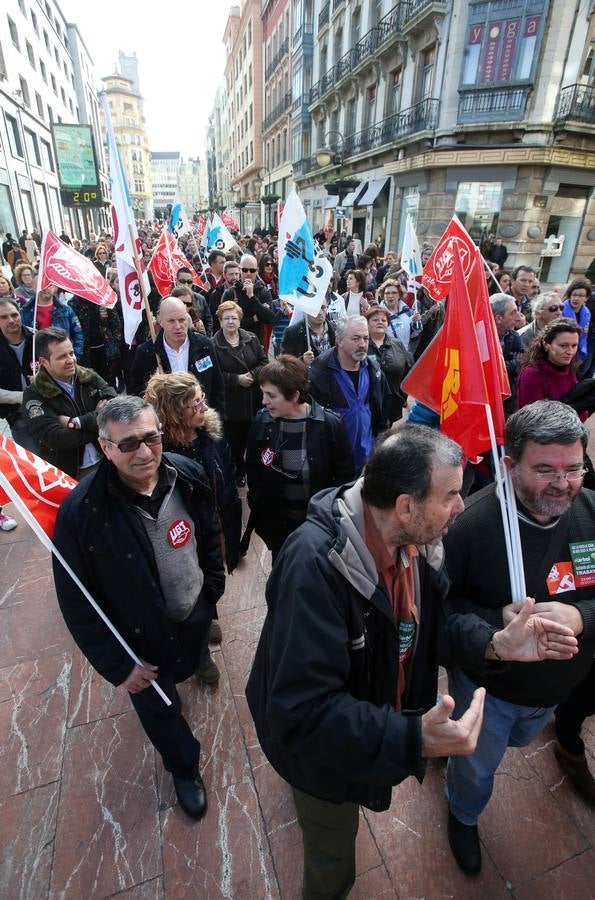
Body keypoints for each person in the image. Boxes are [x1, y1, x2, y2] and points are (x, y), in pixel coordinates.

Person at [246, 424, 579, 899]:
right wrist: (413, 737)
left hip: (367, 730)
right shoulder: (314, 568)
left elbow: (437, 624)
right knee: (333, 858)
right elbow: (300, 713)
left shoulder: (415, 542)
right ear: (406, 505)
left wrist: (495, 643)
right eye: (450, 495)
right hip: (318, 762)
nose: (462, 506)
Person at [52, 395, 225, 821]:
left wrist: (212, 590)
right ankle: (184, 768)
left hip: (193, 611)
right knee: (163, 710)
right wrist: (118, 665)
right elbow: (76, 602)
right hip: (140, 645)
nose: (144, 452)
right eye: (128, 444)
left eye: (152, 438)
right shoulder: (81, 513)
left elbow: (209, 529)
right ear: (105, 447)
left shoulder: (189, 475)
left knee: (195, 647)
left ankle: (200, 658)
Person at [443, 401, 595, 874]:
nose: (563, 483)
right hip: (490, 689)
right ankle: (462, 814)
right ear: (509, 467)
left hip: (557, 688)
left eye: (574, 468)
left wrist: (581, 616)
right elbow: (439, 616)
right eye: (545, 469)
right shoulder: (468, 527)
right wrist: (495, 631)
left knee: (525, 736)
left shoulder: (590, 512)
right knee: (477, 767)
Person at [144, 372, 242, 684]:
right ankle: (201, 654)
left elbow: (227, 479)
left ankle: (208, 616)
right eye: (193, 403)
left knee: (210, 578)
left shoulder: (210, 435)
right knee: (188, 588)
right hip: (181, 538)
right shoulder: (158, 455)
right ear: (174, 413)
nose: (203, 406)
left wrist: (232, 526)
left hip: (214, 527)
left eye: (202, 398)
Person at [245, 355, 354, 559]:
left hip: (318, 529)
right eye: (263, 394)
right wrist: (257, 502)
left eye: (271, 395)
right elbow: (253, 467)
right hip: (279, 528)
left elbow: (344, 479)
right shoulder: (262, 421)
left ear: (294, 396)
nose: (264, 401)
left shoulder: (329, 425)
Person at [22, 327, 116, 478]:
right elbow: (56, 439)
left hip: (108, 461)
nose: (71, 360)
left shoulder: (88, 376)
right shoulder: (35, 394)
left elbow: (115, 409)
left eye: (71, 353)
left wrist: (76, 422)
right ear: (44, 362)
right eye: (61, 357)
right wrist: (99, 426)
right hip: (70, 474)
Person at [309, 315, 390, 472]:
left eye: (366, 338)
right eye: (356, 338)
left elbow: (384, 412)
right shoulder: (319, 373)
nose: (362, 344)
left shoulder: (375, 371)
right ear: (339, 340)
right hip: (333, 466)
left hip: (367, 463)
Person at [129, 297, 225, 414]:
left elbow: (217, 387)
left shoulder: (205, 346)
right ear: (160, 321)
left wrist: (216, 422)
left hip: (201, 420)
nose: (178, 326)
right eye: (171, 321)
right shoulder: (147, 352)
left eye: (182, 320)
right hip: (167, 424)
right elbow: (136, 392)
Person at [212, 300, 267, 485]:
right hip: (231, 404)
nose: (230, 322)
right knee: (235, 443)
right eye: (226, 318)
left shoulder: (251, 338)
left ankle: (256, 470)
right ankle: (238, 471)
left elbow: (263, 362)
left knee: (256, 439)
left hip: (253, 399)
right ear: (219, 321)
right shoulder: (212, 345)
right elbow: (214, 374)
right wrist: (236, 380)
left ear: (240, 320)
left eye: (234, 318)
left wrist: (252, 375)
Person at [517, 319, 584, 413]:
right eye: (563, 346)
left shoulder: (567, 366)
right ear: (546, 344)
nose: (570, 352)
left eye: (574, 346)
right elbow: (533, 421)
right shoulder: (532, 374)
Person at [0, 298, 38, 453]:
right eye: (3, 317)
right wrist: (22, 397)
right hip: (18, 415)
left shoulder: (37, 338)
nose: (11, 320)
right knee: (35, 462)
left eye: (14, 315)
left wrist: (43, 379)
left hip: (49, 410)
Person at [365, 306, 413, 423]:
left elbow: (409, 372)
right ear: (367, 323)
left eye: (383, 320)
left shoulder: (397, 344)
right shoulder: (361, 344)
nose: (380, 322)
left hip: (392, 405)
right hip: (366, 405)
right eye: (375, 320)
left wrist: (401, 397)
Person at [69, 294, 123, 389]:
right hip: (85, 353)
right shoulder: (73, 303)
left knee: (109, 383)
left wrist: (115, 344)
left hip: (107, 351)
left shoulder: (104, 299)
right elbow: (73, 330)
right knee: (90, 385)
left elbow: (116, 324)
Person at [220, 254, 274, 344]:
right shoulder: (230, 293)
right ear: (240, 270)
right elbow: (225, 322)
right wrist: (254, 319)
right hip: (234, 344)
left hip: (257, 344)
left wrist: (252, 297)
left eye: (252, 270)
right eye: (245, 270)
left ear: (257, 271)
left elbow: (269, 318)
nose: (248, 273)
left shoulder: (263, 292)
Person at [20, 288, 84, 360]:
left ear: (55, 287)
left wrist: (75, 356)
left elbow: (78, 333)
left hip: (64, 359)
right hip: (36, 360)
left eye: (49, 285)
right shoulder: (25, 311)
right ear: (34, 286)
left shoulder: (66, 310)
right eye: (42, 284)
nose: (45, 288)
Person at [491, 294, 525, 412]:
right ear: (499, 318)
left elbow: (523, 362)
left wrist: (504, 365)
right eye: (513, 313)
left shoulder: (513, 336)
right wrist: (511, 364)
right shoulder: (480, 336)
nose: (519, 317)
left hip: (506, 397)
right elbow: (489, 368)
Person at [280, 300, 335, 366]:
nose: (320, 312)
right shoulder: (292, 333)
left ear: (327, 308)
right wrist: (302, 361)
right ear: (306, 310)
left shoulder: (335, 330)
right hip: (305, 375)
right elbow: (284, 364)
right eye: (315, 308)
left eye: (323, 307)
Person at [378, 278, 422, 348]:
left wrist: (416, 324)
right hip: (387, 357)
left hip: (404, 355)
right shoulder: (378, 315)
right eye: (387, 293)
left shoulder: (407, 312)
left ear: (399, 295)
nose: (390, 296)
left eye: (394, 293)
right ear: (383, 295)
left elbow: (413, 337)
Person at [174, 268, 212, 335]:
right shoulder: (167, 300)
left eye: (189, 282)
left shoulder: (201, 299)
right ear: (176, 281)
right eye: (182, 281)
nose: (186, 284)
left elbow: (208, 322)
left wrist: (207, 340)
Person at [561, 278, 591, 362]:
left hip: (577, 354)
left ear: (586, 298)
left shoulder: (587, 312)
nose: (576, 298)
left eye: (581, 296)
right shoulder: (560, 309)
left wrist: (582, 355)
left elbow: (584, 335)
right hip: (562, 352)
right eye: (574, 295)